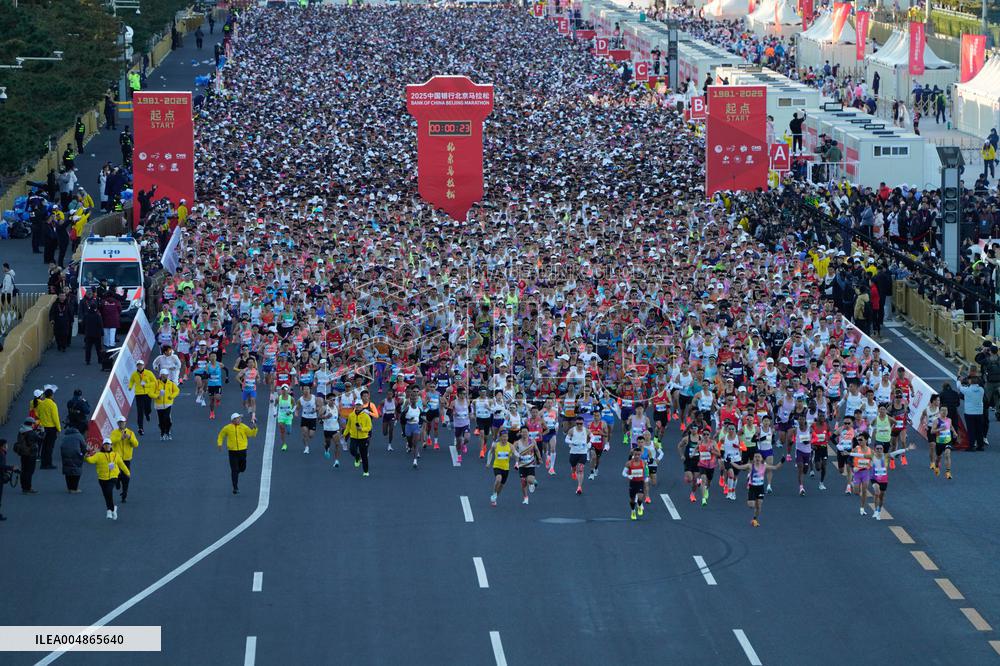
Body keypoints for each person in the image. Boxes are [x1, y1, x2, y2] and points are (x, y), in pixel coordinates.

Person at [730, 452, 783, 527]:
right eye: (756, 457)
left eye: (759, 457)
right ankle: (752, 499)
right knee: (751, 505)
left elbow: (776, 467)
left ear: (761, 459)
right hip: (752, 487)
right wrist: (730, 462)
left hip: (760, 488)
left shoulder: (764, 466)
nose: (757, 458)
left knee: (759, 506)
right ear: (754, 459)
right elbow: (739, 467)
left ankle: (754, 519)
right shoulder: (750, 466)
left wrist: (782, 461)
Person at [85, 438, 129, 520]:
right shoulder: (98, 455)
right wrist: (87, 457)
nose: (107, 446)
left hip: (113, 477)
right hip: (102, 478)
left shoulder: (116, 455)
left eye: (108, 444)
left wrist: (127, 473)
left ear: (111, 445)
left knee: (109, 491)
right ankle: (112, 509)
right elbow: (91, 460)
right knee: (106, 495)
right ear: (103, 446)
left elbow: (121, 464)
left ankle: (109, 510)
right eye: (105, 444)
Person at [217, 412, 258, 495]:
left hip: (242, 450)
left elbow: (251, 435)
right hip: (232, 452)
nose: (240, 419)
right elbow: (221, 435)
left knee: (242, 468)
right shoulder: (227, 428)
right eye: (238, 418)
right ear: (233, 420)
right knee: (234, 470)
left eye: (240, 418)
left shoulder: (244, 427)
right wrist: (219, 444)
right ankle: (235, 488)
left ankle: (237, 472)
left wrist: (254, 428)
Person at [110, 417, 139, 503]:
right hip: (117, 458)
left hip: (127, 458)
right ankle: (117, 481)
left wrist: (130, 438)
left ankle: (124, 493)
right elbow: (110, 441)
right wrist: (120, 438)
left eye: (122, 422)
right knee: (117, 474)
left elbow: (136, 444)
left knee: (126, 476)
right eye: (119, 422)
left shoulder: (130, 432)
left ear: (125, 423)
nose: (121, 424)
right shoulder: (114, 432)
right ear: (118, 424)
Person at [958, 373, 986, 451]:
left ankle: (971, 446)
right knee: (979, 429)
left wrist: (959, 380)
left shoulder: (967, 390)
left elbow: (959, 387)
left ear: (970, 381)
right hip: (979, 412)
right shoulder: (981, 390)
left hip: (969, 413)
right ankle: (980, 446)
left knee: (971, 430)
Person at [345, 400, 373, 476]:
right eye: (356, 405)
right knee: (352, 450)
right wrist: (344, 434)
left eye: (359, 405)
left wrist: (362, 429)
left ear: (362, 406)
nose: (358, 407)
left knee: (364, 456)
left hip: (363, 438)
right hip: (354, 437)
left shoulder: (366, 416)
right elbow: (348, 426)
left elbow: (369, 427)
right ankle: (357, 457)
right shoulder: (351, 415)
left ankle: (366, 471)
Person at [128, 359, 156, 435]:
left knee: (148, 408)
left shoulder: (148, 373)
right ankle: (140, 428)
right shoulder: (134, 374)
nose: (140, 366)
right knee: (139, 411)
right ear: (137, 366)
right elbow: (131, 381)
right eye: (138, 365)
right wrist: (130, 387)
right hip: (139, 394)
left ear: (143, 365)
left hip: (147, 393)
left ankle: (147, 414)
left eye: (141, 365)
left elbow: (154, 382)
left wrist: (147, 385)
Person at [35, 387, 61, 469]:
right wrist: (59, 428)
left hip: (43, 428)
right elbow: (55, 418)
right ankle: (48, 463)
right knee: (50, 447)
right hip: (51, 428)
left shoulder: (41, 403)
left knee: (44, 446)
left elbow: (37, 414)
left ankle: (43, 464)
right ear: (51, 395)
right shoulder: (53, 404)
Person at [486, 429, 512, 506]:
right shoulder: (495, 445)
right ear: (500, 437)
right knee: (498, 479)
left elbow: (515, 453)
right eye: (503, 436)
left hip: (506, 468)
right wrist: (488, 463)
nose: (505, 438)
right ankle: (494, 493)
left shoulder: (510, 445)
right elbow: (490, 453)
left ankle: (495, 496)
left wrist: (518, 461)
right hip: (497, 466)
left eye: (506, 437)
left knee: (501, 486)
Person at [13, 420, 40, 494]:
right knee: (29, 471)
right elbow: (39, 439)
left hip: (23, 453)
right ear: (31, 424)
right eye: (33, 423)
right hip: (30, 453)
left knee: (24, 470)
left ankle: (24, 487)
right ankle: (28, 488)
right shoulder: (31, 432)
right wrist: (40, 433)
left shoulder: (21, 430)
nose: (34, 425)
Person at [929, 405, 955, 480]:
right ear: (940, 412)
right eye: (943, 411)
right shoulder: (936, 421)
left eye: (946, 411)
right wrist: (940, 429)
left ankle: (948, 472)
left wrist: (954, 432)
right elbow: (932, 431)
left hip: (948, 441)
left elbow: (951, 426)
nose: (944, 412)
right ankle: (937, 467)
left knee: (947, 454)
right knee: (938, 458)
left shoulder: (949, 420)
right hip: (939, 442)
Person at [565, 416, 589, 495]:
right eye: (577, 423)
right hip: (573, 452)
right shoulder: (572, 430)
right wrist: (572, 443)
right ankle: (573, 471)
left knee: (581, 469)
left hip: (583, 452)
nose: (579, 425)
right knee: (574, 467)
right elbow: (566, 439)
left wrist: (589, 443)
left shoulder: (586, 430)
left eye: (581, 423)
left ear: (583, 423)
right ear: (575, 423)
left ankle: (579, 487)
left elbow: (592, 437)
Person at [622, 447, 647, 520]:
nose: (637, 456)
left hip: (640, 482)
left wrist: (646, 478)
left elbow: (645, 471)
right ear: (633, 454)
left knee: (640, 496)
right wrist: (628, 475)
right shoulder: (629, 463)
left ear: (640, 454)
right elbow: (623, 473)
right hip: (632, 483)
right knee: (632, 500)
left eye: (638, 455)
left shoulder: (643, 462)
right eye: (635, 454)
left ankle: (639, 506)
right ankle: (633, 511)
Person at [153, 370, 180, 440]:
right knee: (161, 420)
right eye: (163, 375)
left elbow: (177, 390)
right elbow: (150, 392)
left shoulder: (170, 383)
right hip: (158, 405)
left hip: (168, 404)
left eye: (166, 375)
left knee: (167, 418)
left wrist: (172, 396)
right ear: (161, 375)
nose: (165, 376)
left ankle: (167, 432)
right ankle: (162, 433)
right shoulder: (156, 383)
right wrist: (157, 396)